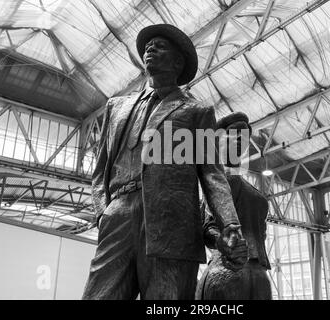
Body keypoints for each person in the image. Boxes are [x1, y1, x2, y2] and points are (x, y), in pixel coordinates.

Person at [82, 24, 247, 300]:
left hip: (172, 224)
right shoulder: (116, 107)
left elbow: (212, 175)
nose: (150, 48)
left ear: (177, 62)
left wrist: (230, 225)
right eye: (148, 46)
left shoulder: (196, 111)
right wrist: (103, 213)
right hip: (118, 215)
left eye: (160, 46)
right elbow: (100, 171)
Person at [196, 112, 272, 300]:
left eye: (244, 135)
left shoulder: (257, 196)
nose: (240, 139)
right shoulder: (215, 187)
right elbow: (207, 228)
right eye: (233, 133)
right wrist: (223, 242)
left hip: (259, 274)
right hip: (225, 269)